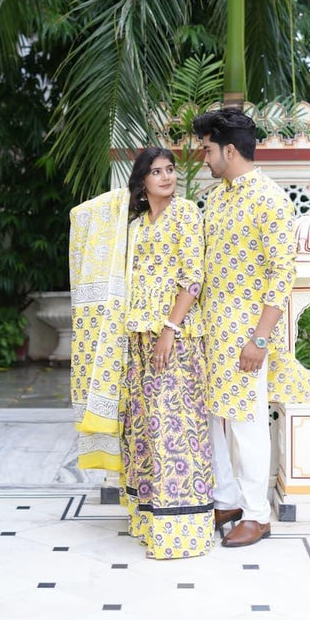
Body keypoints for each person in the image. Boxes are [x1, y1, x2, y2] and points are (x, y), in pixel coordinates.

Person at [69, 147, 214, 560]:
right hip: (135, 336)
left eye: (170, 170)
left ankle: (181, 533)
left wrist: (170, 329)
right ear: (142, 181)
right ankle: (149, 520)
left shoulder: (185, 214)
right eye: (156, 171)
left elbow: (192, 279)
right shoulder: (131, 225)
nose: (167, 177)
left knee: (176, 430)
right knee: (144, 431)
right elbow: (84, 216)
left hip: (177, 338)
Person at [192, 108, 310, 549]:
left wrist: (260, 340)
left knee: (247, 424)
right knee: (214, 420)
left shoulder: (270, 199)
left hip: (247, 337)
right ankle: (226, 499)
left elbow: (280, 276)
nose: (202, 157)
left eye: (207, 148)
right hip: (210, 333)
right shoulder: (217, 198)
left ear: (229, 149)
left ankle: (257, 514)